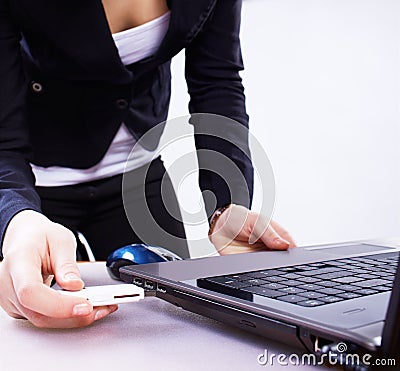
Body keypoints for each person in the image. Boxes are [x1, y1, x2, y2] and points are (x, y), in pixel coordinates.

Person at [0, 0, 295, 328]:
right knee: (46, 329)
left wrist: (228, 206)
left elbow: (217, 81)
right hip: (32, 185)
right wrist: (15, 219)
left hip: (139, 173)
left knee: (179, 322)